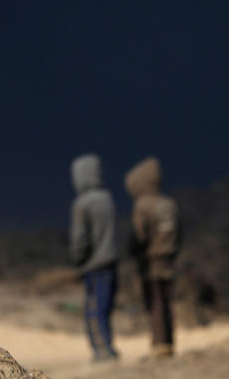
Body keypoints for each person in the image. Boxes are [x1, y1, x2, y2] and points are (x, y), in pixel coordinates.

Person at [124, 156, 180, 359]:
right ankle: (169, 342)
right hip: (169, 259)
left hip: (151, 261)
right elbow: (179, 233)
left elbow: (139, 235)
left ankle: (159, 344)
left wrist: (133, 252)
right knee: (166, 301)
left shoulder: (143, 205)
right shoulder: (169, 204)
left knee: (154, 301)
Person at [69, 153, 119, 362]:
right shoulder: (107, 198)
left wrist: (78, 259)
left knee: (94, 311)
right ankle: (109, 347)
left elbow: (80, 239)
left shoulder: (82, 203)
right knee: (105, 309)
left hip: (94, 266)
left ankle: (103, 352)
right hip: (111, 263)